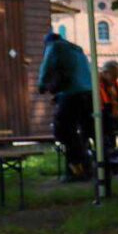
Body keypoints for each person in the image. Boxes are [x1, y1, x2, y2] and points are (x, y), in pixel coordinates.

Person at [38, 32, 94, 181]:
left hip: (72, 94)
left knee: (63, 130)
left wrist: (41, 85)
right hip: (88, 94)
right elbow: (78, 74)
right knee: (82, 132)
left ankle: (77, 168)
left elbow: (46, 66)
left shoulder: (54, 46)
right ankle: (85, 166)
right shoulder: (77, 49)